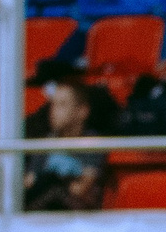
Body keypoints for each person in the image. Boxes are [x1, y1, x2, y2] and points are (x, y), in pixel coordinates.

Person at [21, 65, 113, 210]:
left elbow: (82, 189)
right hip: (39, 208)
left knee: (52, 186)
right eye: (53, 105)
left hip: (75, 213)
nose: (53, 112)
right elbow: (29, 181)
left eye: (62, 105)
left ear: (82, 111)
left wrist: (53, 182)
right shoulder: (46, 142)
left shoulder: (92, 143)